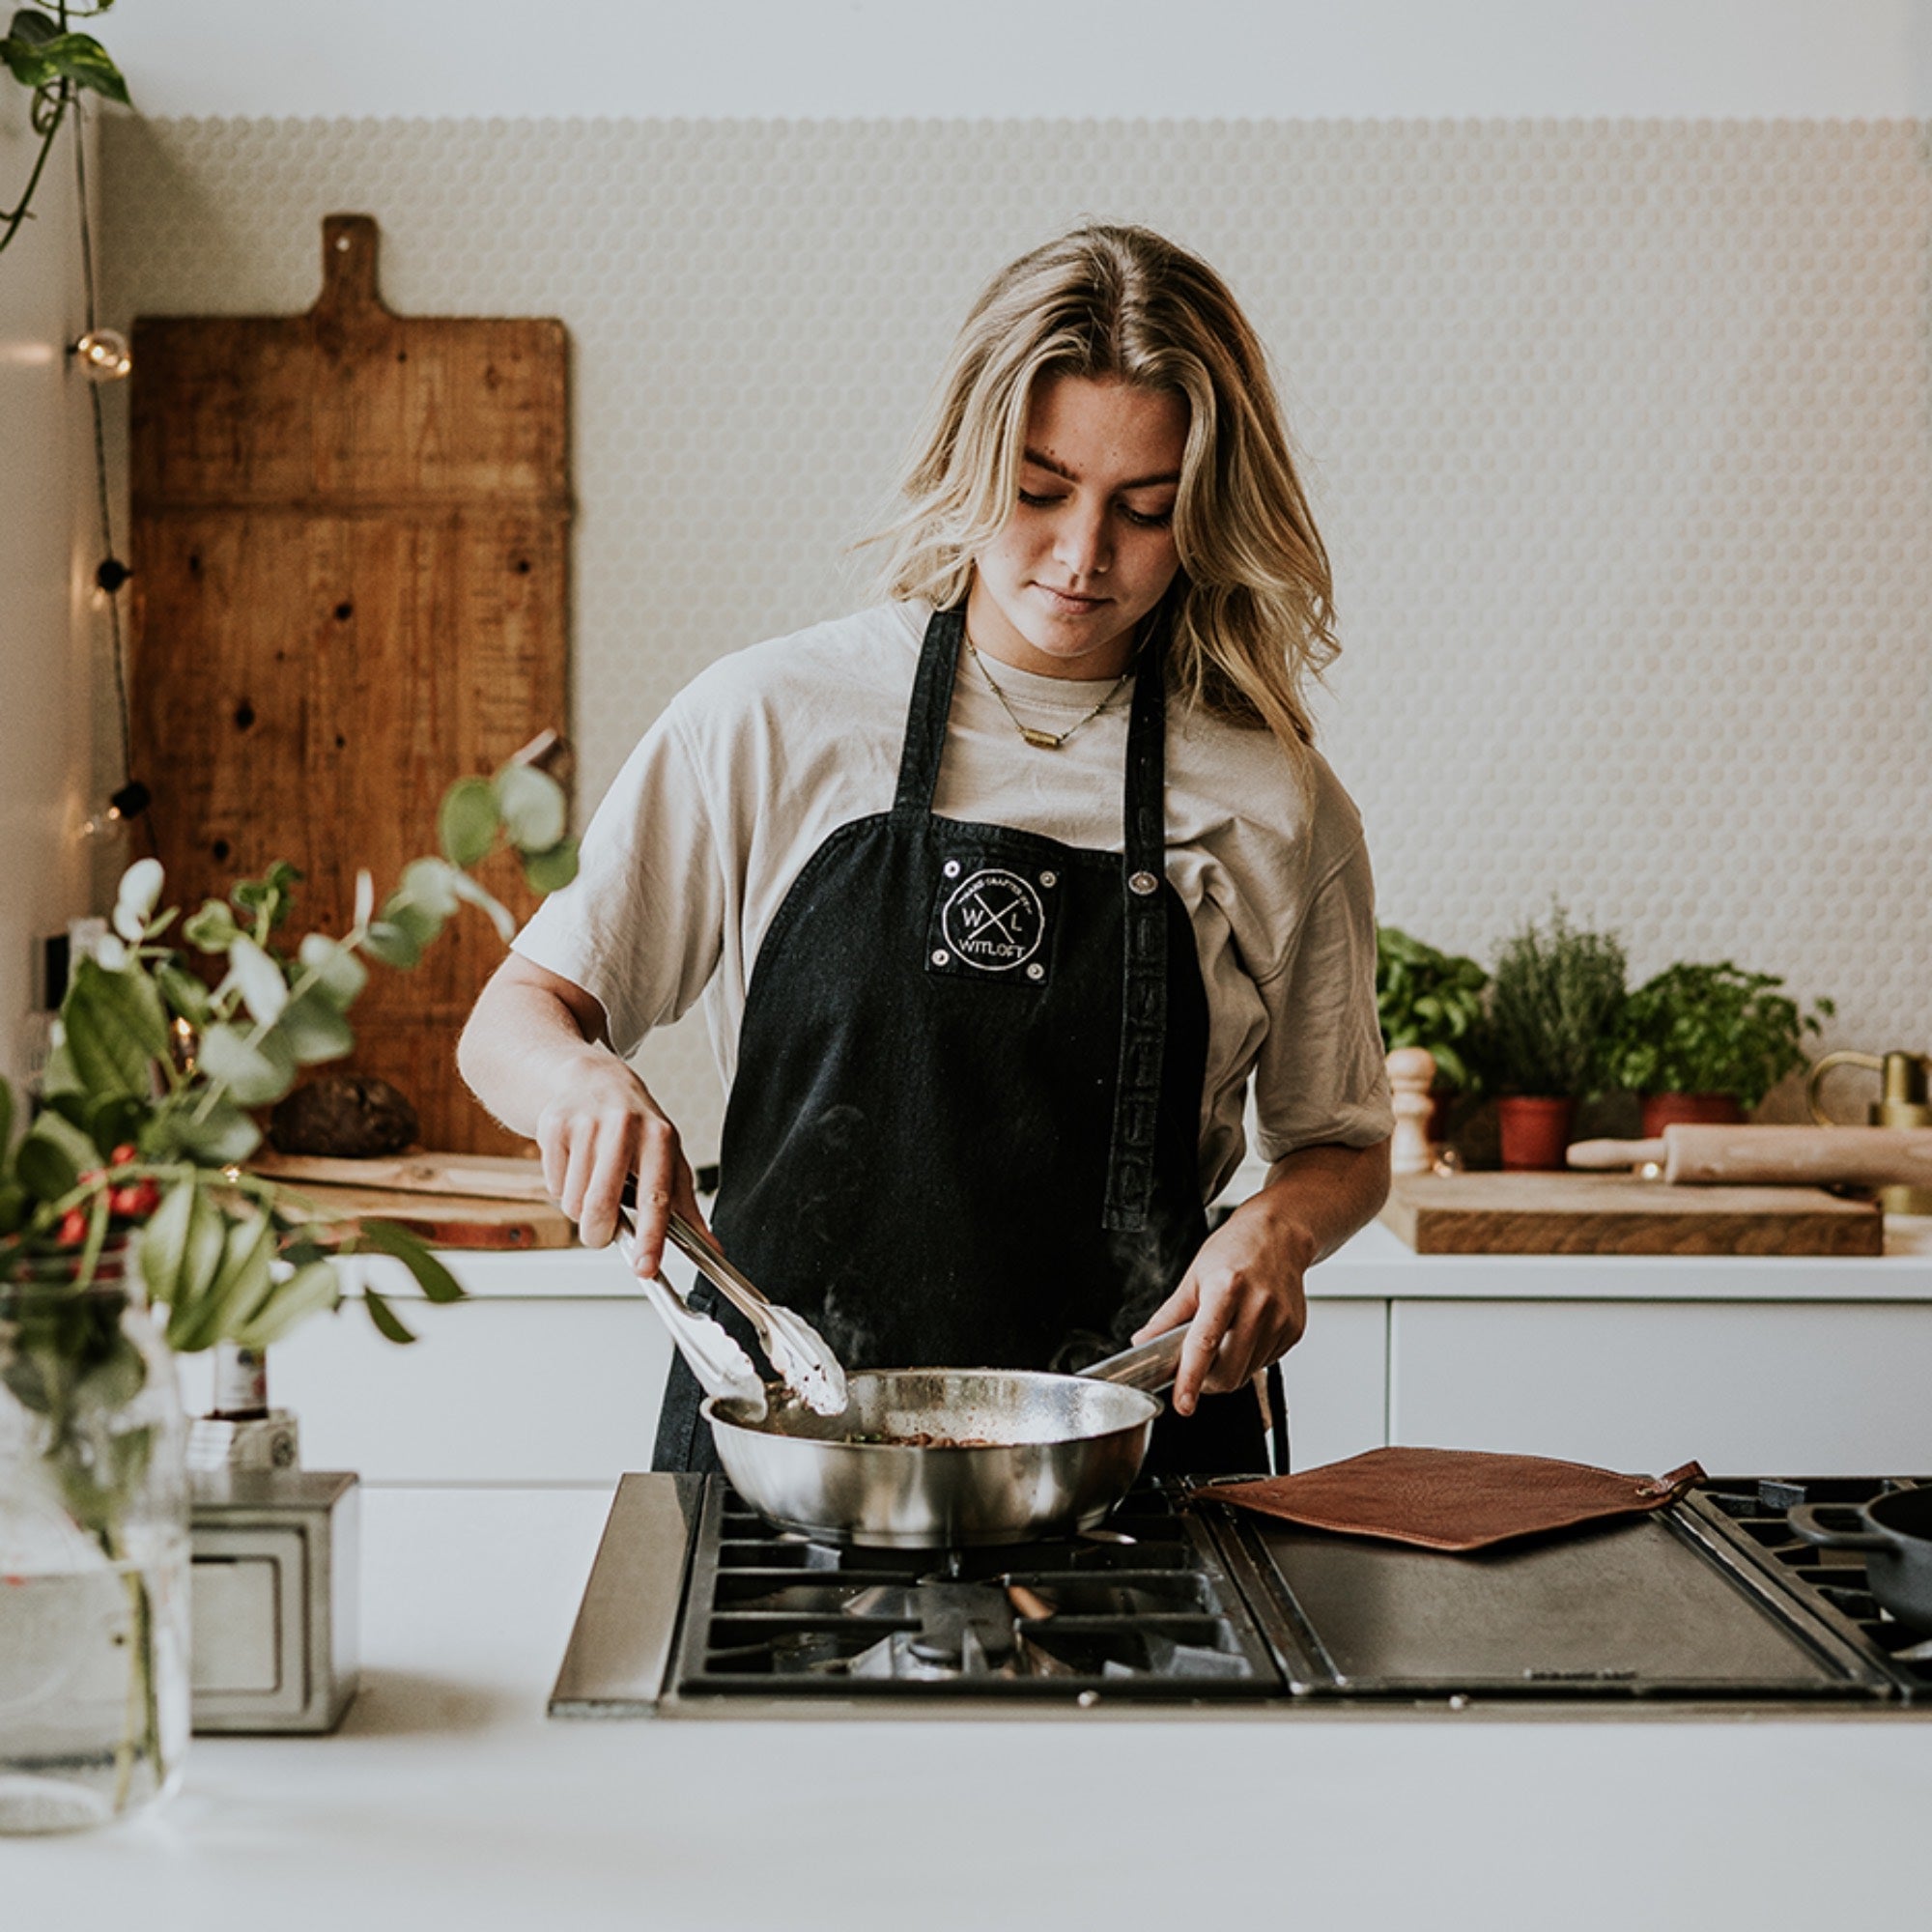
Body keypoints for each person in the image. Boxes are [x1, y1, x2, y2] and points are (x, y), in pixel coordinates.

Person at [458, 223, 1394, 1477]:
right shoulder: (768, 718)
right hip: (795, 1457)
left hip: (1133, 1465)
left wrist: (1279, 1231)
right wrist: (576, 1084)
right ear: (970, 456)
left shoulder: (1275, 795)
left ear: (1207, 511)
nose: (1080, 556)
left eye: (1144, 510)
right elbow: (515, 1017)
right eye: (1042, 488)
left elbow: (1343, 1143)